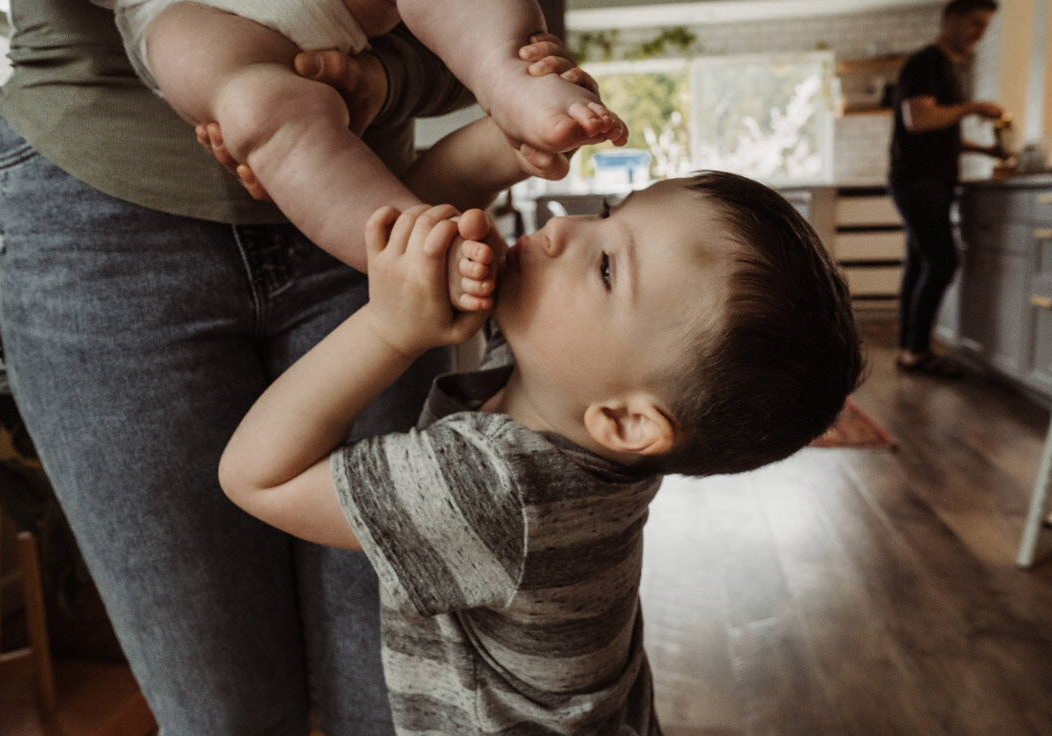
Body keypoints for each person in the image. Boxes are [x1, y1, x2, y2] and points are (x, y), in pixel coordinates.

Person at [0, 0, 594, 734]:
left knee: (389, 701)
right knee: (221, 714)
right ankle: (376, 198)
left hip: (358, 179)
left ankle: (431, 170)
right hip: (143, 120)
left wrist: (384, 81)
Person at [220, 171, 866, 735]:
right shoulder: (587, 426)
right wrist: (508, 132)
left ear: (625, 420)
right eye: (609, 214)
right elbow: (432, 189)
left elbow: (256, 476)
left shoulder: (495, 489)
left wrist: (390, 329)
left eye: (607, 268)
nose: (563, 228)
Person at [74, 0, 628, 269]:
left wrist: (385, 78)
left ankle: (511, 78)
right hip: (177, 3)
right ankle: (415, 251)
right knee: (258, 112)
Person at [889, 0, 1004, 377]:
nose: (980, 34)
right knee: (942, 260)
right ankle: (916, 349)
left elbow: (939, 131)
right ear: (952, 18)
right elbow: (919, 120)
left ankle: (910, 348)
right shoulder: (926, 63)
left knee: (920, 261)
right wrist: (973, 107)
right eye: (976, 24)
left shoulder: (946, 67)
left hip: (927, 177)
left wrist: (983, 150)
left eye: (985, 27)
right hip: (920, 180)